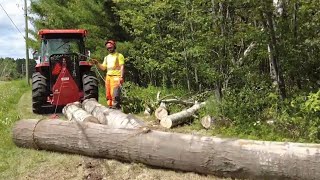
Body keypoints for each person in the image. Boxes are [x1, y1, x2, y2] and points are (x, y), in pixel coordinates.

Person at [91, 40, 125, 109]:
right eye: (108, 48)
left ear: (114, 47)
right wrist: (97, 63)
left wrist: (121, 77)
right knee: (108, 93)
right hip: (108, 77)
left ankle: (116, 107)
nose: (109, 49)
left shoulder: (119, 55)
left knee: (115, 93)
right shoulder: (106, 57)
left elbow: (122, 67)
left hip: (116, 77)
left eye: (110, 47)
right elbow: (103, 68)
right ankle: (110, 106)